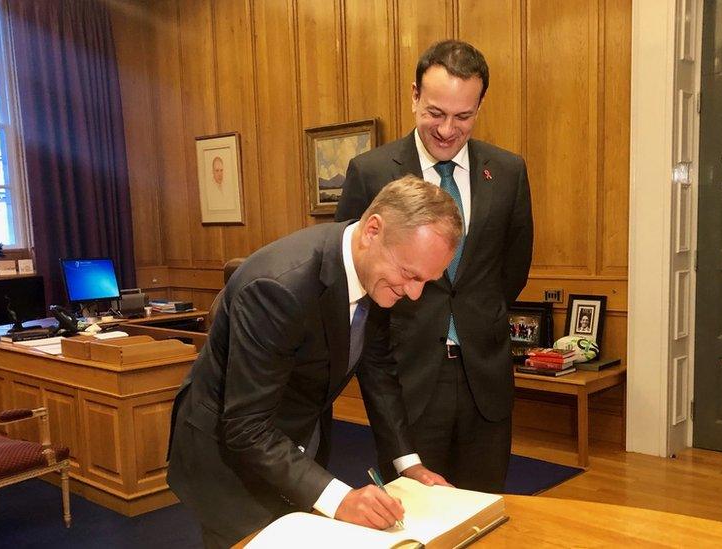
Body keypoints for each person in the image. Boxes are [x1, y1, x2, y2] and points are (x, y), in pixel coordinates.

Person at [167, 175, 463, 548]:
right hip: (226, 454)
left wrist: (409, 463)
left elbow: (378, 370)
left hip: (292, 438)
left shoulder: (379, 271)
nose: (415, 294)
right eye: (409, 275)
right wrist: (340, 499)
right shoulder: (278, 287)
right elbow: (246, 425)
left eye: (427, 280)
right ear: (373, 230)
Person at [335, 40, 534, 493]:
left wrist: (477, 321)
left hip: (484, 378)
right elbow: (355, 271)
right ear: (413, 96)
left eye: (463, 117)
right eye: (434, 112)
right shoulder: (370, 172)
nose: (447, 130)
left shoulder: (507, 172)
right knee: (413, 512)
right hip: (405, 378)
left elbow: (512, 271)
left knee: (484, 507)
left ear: (480, 106)